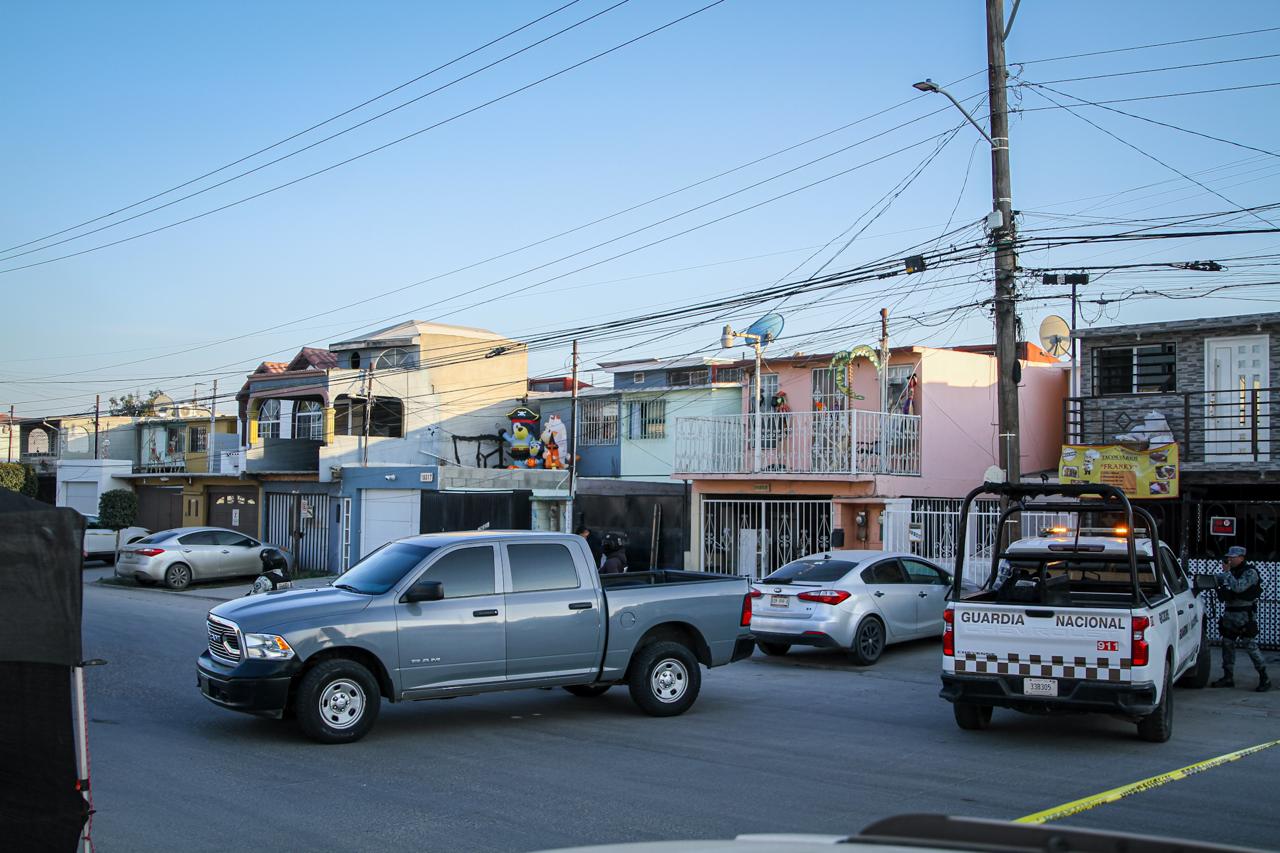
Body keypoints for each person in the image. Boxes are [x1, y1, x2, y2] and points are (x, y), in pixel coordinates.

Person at [1210, 545, 1270, 692]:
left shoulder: (1250, 573)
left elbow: (1238, 588)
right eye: (1228, 557)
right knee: (1227, 645)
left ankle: (1264, 677)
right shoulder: (1231, 572)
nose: (1229, 559)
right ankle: (1228, 677)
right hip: (1230, 614)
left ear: (1241, 557)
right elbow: (1214, 580)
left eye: (1233, 557)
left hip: (1244, 615)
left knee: (1250, 645)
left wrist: (1227, 573)